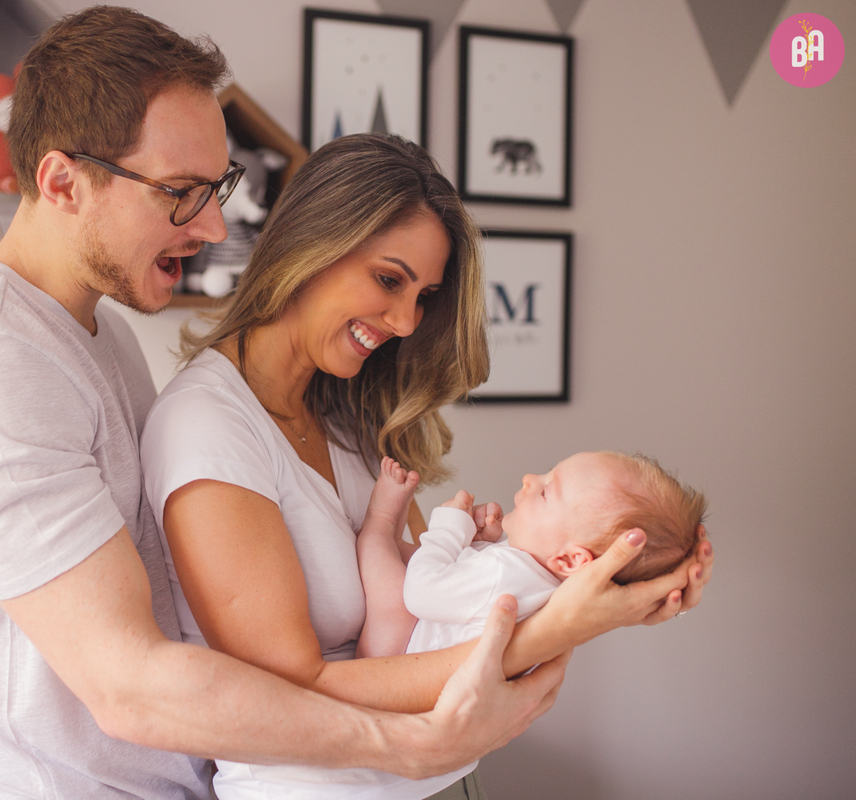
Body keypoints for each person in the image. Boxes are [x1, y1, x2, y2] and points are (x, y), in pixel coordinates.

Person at [0, 7, 712, 799]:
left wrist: (584, 581)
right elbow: (129, 686)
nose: (214, 229)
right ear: (63, 182)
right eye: (180, 191)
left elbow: (405, 617)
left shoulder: (101, 337)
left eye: (218, 187)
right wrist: (438, 722)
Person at [140, 133, 714, 800]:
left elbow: (432, 613)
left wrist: (617, 585)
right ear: (310, 245)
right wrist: (554, 630)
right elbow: (291, 690)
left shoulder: (350, 414)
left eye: (424, 295)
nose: (408, 322)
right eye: (389, 280)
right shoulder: (207, 428)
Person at [197, 451, 705, 798]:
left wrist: (450, 527)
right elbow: (473, 598)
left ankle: (380, 518)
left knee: (387, 570)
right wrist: (480, 545)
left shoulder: (508, 572)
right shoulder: (548, 586)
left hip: (394, 662)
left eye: (548, 492)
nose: (531, 480)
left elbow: (426, 591)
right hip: (430, 728)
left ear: (572, 559)